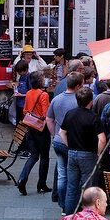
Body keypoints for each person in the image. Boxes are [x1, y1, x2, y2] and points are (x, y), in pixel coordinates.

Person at [58, 85, 106, 216]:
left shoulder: (70, 114)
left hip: (73, 153)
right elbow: (102, 139)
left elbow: (62, 133)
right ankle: (87, 216)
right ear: (91, 101)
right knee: (89, 188)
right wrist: (98, 152)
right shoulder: (94, 117)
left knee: (72, 187)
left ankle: (69, 215)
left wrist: (70, 145)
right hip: (88, 154)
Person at [47, 70, 83, 209]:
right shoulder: (78, 102)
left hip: (58, 140)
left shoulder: (56, 99)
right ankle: (71, 205)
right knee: (74, 176)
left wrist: (54, 134)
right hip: (73, 142)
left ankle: (62, 204)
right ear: (78, 86)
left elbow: (49, 119)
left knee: (62, 175)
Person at [17, 74, 52, 195]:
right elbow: (45, 114)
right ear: (41, 82)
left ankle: (22, 178)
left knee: (33, 155)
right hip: (41, 129)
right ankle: (41, 183)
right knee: (44, 157)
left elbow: (25, 111)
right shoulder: (44, 95)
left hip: (30, 127)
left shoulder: (28, 93)